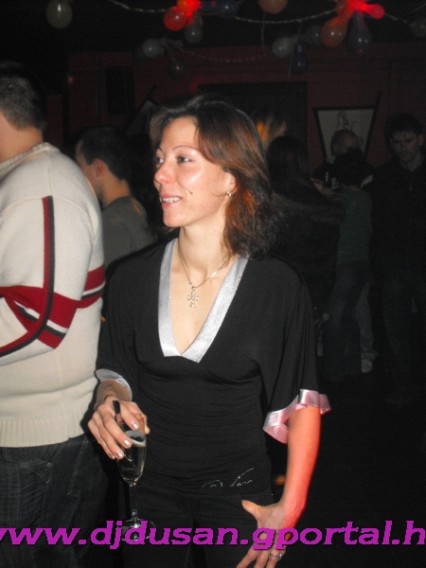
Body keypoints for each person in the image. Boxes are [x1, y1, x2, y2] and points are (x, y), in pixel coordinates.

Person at [88, 94, 330, 568]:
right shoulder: (130, 278)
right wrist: (108, 399)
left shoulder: (276, 286)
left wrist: (291, 506)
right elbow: (116, 370)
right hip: (148, 491)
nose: (160, 175)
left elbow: (303, 403)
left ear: (231, 178)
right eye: (160, 160)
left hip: (238, 495)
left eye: (183, 160)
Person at [0, 61, 107, 567]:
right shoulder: (29, 180)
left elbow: (35, 317)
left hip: (38, 439)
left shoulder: (39, 184)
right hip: (40, 433)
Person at [371, 112, 426, 405]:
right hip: (395, 264)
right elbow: (378, 223)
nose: (403, 147)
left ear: (420, 139)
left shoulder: (387, 176)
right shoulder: (385, 177)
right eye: (397, 142)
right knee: (395, 331)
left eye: (408, 141)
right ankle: (402, 386)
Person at [266, 135, 342, 336]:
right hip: (312, 295)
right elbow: (330, 262)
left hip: (275, 298)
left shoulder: (268, 207)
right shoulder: (322, 204)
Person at [322, 149, 373, 383]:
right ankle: (352, 366)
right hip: (362, 263)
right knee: (350, 316)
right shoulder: (367, 199)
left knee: (334, 319)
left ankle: (334, 372)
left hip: (342, 264)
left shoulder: (339, 201)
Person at [75, 125, 156, 270]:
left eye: (79, 166)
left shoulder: (112, 222)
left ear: (98, 168)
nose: (75, 176)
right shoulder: (138, 209)